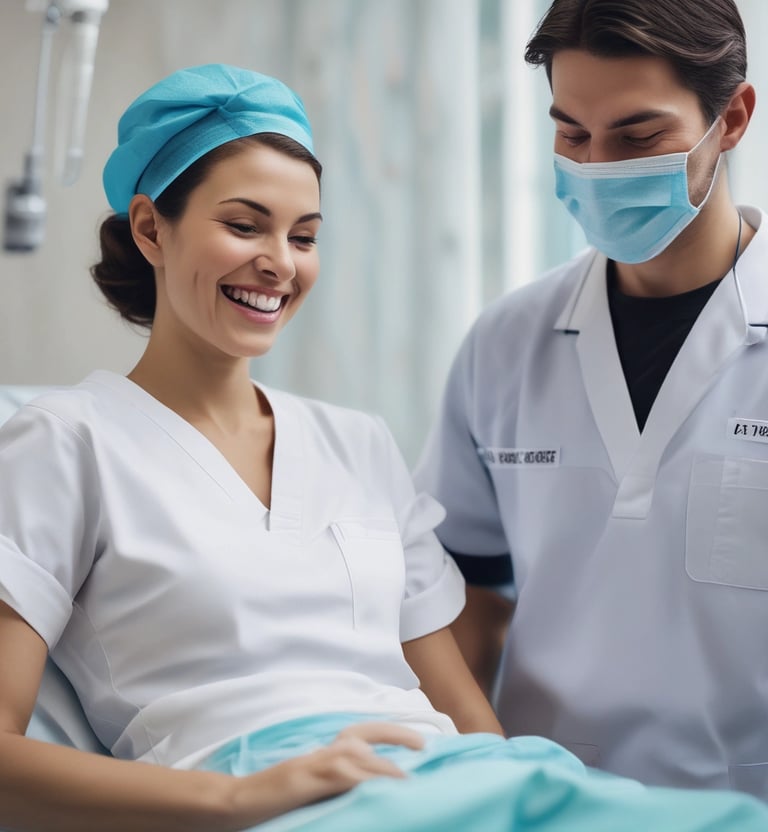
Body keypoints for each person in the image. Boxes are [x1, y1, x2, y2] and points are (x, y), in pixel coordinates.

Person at [0, 62, 766, 832]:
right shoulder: (64, 442)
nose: (279, 261)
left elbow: (464, 711)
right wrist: (239, 798)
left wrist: (523, 797)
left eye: (304, 236)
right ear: (148, 228)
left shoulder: (356, 444)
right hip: (275, 798)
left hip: (458, 780)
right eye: (243, 225)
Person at [414, 0, 768, 798]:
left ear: (734, 117)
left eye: (639, 137)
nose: (599, 166)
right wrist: (478, 774)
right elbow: (464, 599)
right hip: (544, 803)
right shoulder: (505, 344)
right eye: (572, 133)